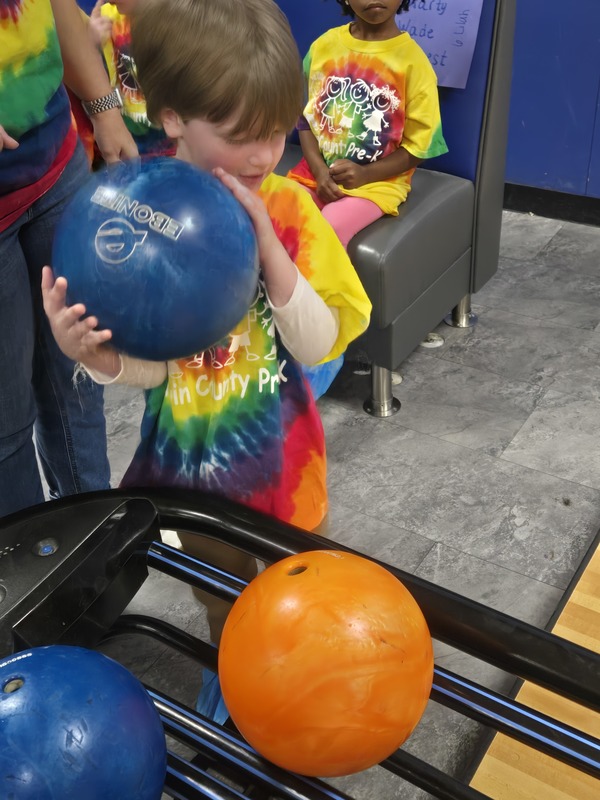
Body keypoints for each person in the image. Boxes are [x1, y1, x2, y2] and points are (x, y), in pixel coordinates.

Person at [42, 0, 371, 720]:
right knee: (219, 591)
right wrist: (93, 356)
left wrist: (272, 254)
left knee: (297, 583)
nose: (264, 156)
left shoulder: (287, 206)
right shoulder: (139, 214)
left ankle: (294, 684)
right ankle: (234, 678)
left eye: (278, 132)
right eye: (241, 135)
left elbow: (321, 343)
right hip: (189, 469)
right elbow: (158, 371)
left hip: (281, 461)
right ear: (172, 119)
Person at [0, 0, 138, 519]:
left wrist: (104, 109)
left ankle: (92, 539)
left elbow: (57, 6)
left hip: (57, 165)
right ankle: (30, 579)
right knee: (5, 422)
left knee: (76, 377)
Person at [287, 0, 448, 249]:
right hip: (315, 175)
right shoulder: (323, 47)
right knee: (280, 207)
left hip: (378, 184)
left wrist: (365, 174)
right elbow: (305, 120)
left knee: (330, 225)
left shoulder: (414, 64)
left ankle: (327, 289)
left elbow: (420, 148)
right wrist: (319, 171)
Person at [86, 0, 175, 157]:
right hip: (129, 129)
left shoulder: (178, 17)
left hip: (171, 130)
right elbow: (102, 73)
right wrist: (92, 43)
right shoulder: (108, 18)